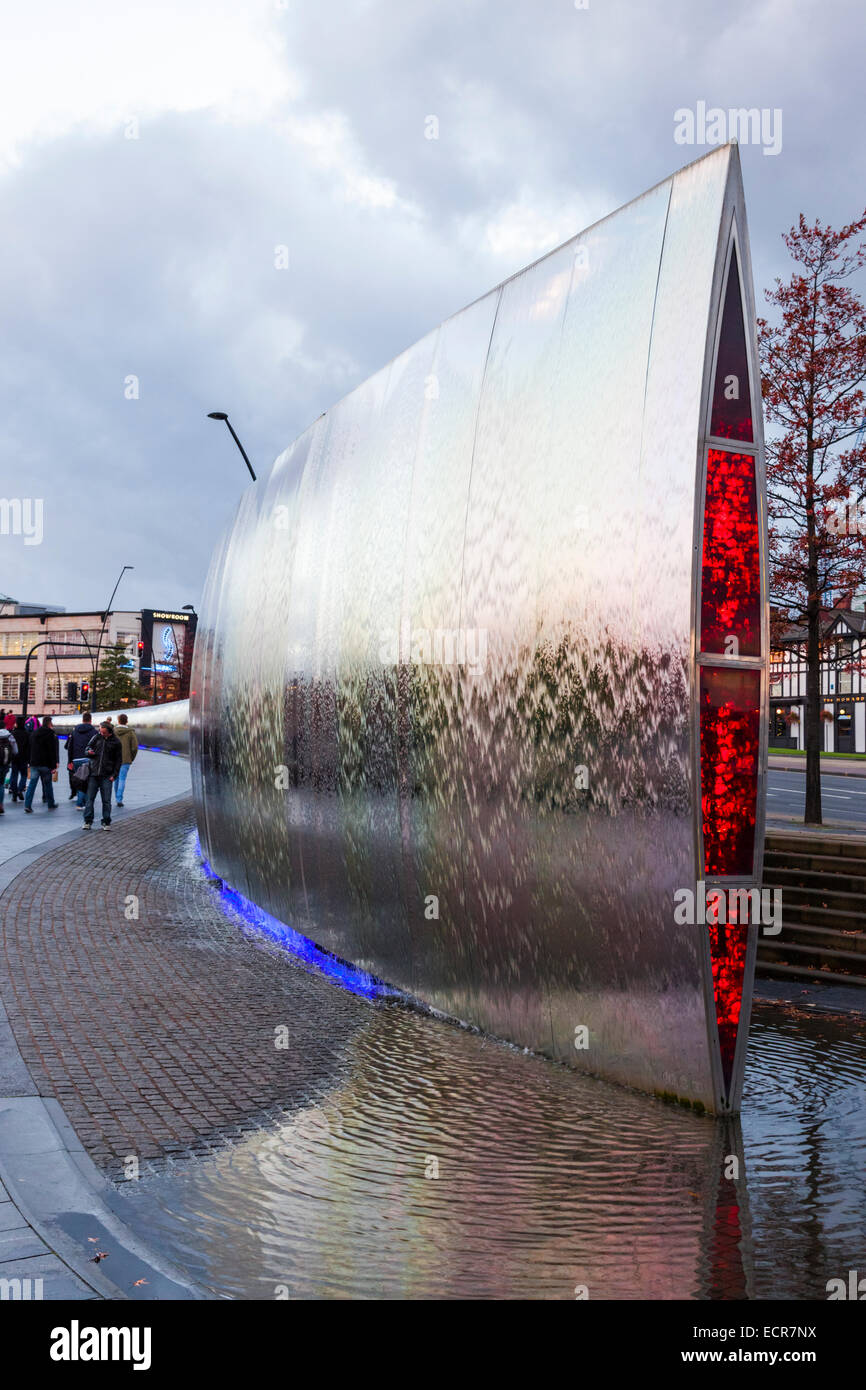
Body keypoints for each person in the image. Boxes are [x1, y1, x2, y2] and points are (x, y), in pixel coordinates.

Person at [83, 721, 122, 830]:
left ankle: (106, 822)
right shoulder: (96, 737)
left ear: (109, 732)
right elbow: (87, 748)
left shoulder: (116, 742)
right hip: (93, 774)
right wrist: (88, 751)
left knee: (106, 800)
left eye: (103, 732)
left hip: (107, 775)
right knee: (89, 799)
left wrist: (114, 774)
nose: (101, 733)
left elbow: (118, 760)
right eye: (100, 731)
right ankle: (87, 821)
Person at [23, 714, 59, 813]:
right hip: (45, 764)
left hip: (34, 763)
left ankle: (27, 805)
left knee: (32, 785)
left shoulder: (34, 733)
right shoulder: (50, 734)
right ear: (49, 723)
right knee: (48, 785)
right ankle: (51, 804)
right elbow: (52, 751)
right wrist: (54, 765)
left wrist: (29, 761)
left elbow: (29, 748)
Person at [66, 711, 97, 807]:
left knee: (80, 780)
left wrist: (70, 761)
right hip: (88, 759)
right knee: (87, 782)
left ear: (82, 720)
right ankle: (82, 803)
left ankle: (81, 802)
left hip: (76, 759)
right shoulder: (94, 732)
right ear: (90, 720)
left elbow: (69, 747)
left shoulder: (75, 731)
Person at [114, 714, 138, 805]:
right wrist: (131, 758)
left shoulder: (113, 731)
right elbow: (134, 747)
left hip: (114, 760)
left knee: (115, 779)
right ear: (126, 721)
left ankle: (116, 796)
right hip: (126, 760)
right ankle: (119, 799)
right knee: (122, 779)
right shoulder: (130, 732)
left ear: (118, 720)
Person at [9, 716, 30, 801]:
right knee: (24, 775)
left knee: (14, 775)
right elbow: (29, 747)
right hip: (24, 758)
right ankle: (20, 789)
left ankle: (14, 793)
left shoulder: (13, 733)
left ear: (16, 724)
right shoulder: (27, 734)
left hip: (14, 757)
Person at [0, 723, 17, 815]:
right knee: (1, 785)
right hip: (5, 764)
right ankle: (0, 805)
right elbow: (15, 751)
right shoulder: (9, 736)